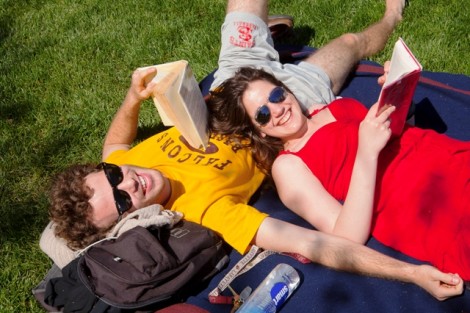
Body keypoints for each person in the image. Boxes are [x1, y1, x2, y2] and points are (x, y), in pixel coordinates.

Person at [41, 0, 464, 301]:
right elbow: (321, 243)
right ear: (127, 222)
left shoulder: (122, 165)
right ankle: (391, 13)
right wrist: (410, 272)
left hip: (232, 83)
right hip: (277, 108)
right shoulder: (207, 208)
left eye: (112, 176)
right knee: (350, 42)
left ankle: (269, 36)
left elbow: (114, 145)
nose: (127, 181)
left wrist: (133, 99)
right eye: (122, 200)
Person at [207, 63, 470, 282]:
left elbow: (396, 132)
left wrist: (397, 92)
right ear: (260, 131)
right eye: (263, 114)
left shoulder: (336, 107)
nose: (278, 110)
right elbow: (346, 236)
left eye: (277, 96)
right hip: (427, 204)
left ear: (286, 90)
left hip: (449, 158)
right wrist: (366, 151)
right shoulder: (288, 166)